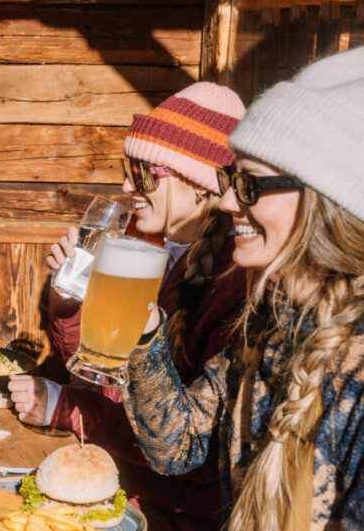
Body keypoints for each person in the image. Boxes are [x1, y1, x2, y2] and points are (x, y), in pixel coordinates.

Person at [124, 47, 364, 529]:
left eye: (250, 184)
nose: (228, 201)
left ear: (324, 202)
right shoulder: (270, 322)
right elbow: (177, 446)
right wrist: (143, 331)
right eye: (231, 180)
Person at [7, 82, 248, 530]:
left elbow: (191, 447)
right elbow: (100, 371)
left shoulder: (235, 281)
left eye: (143, 173)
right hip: (115, 478)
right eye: (127, 169)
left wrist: (69, 409)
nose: (126, 185)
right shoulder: (144, 239)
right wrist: (68, 303)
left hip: (174, 512)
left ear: (199, 183)